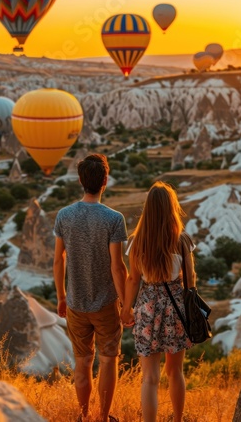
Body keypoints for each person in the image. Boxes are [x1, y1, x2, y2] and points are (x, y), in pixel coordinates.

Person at [53, 154, 128, 422]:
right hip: (106, 303)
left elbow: (58, 260)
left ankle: (84, 417)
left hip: (75, 303)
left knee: (82, 361)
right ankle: (103, 417)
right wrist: (126, 304)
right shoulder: (114, 219)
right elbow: (117, 267)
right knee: (108, 360)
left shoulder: (64, 216)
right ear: (105, 180)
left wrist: (62, 297)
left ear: (81, 180)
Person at [121, 181, 196, 422]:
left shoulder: (137, 241)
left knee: (149, 378)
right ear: (171, 208)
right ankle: (177, 419)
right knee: (175, 372)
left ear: (148, 209)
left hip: (147, 307)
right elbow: (191, 279)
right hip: (176, 307)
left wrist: (126, 309)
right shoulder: (182, 240)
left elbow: (133, 279)